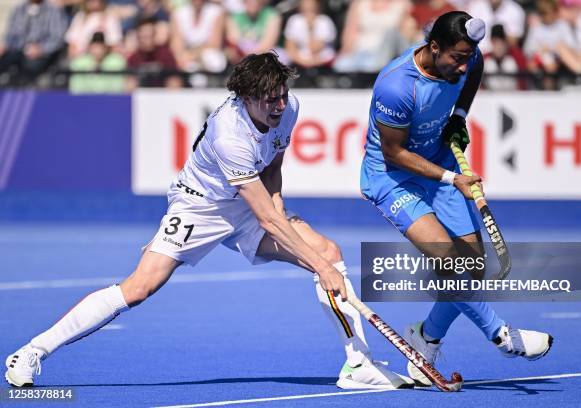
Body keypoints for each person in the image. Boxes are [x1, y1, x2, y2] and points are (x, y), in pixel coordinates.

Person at [5, 52, 409, 391]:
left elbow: (273, 169)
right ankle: (32, 352)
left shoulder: (288, 109)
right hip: (199, 207)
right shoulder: (228, 136)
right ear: (247, 98)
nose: (280, 106)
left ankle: (358, 366)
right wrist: (319, 267)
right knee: (140, 287)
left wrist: (287, 214)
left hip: (248, 203)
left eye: (283, 96)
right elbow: (267, 219)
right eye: (270, 99)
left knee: (327, 250)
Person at [359, 11, 553, 386]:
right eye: (457, 58)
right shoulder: (397, 85)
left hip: (441, 165)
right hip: (393, 178)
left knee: (472, 268)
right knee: (447, 258)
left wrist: (459, 115)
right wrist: (453, 178)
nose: (464, 66)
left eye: (468, 56)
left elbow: (475, 71)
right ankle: (501, 336)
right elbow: (394, 153)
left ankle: (426, 338)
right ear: (434, 47)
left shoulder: (469, 58)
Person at [0, 0, 67, 85]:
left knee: (30, 66)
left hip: (42, 54)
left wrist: (41, 49)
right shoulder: (19, 9)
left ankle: (26, 92)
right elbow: (11, 34)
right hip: (18, 50)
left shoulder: (54, 10)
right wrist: (5, 44)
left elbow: (57, 38)